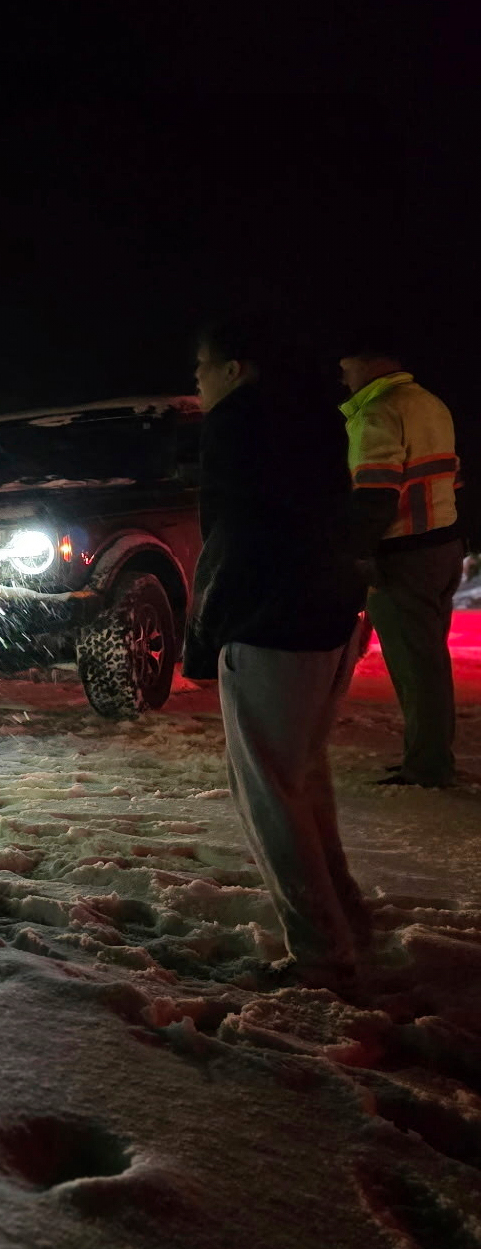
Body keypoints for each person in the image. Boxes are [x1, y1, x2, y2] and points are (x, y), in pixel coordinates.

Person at [184, 319, 372, 989]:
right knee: (301, 777)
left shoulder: (236, 426)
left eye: (202, 366)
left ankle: (322, 953)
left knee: (267, 788)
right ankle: (347, 919)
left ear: (236, 368)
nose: (196, 380)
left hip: (271, 622)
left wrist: (204, 633)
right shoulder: (316, 417)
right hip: (328, 613)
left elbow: (232, 540)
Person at [341, 337, 462, 787]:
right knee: (429, 662)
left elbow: (375, 495)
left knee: (416, 668)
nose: (342, 374)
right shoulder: (430, 404)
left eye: (347, 364)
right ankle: (429, 756)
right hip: (442, 545)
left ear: (373, 362)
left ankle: (428, 766)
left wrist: (356, 551)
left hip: (404, 553)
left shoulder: (377, 412)